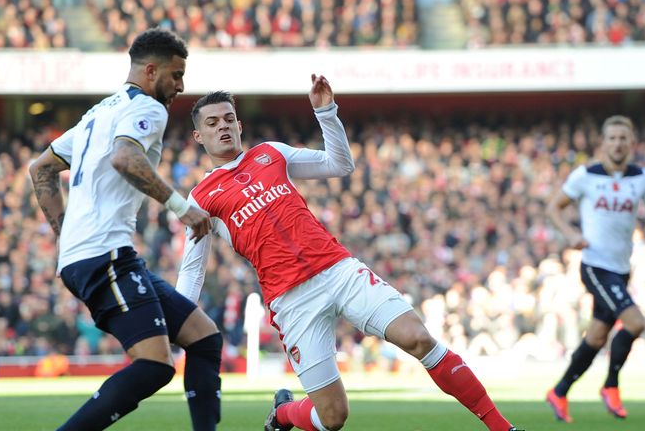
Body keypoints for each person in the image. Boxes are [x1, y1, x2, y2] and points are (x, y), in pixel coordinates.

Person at [175, 75, 521, 431]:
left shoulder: (271, 154)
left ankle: (502, 428)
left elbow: (339, 165)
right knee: (333, 417)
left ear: (239, 123)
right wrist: (180, 318)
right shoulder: (201, 197)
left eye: (229, 119)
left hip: (338, 269)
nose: (224, 127)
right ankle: (283, 414)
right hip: (291, 301)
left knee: (419, 338)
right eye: (213, 123)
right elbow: (192, 270)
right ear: (199, 136)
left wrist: (326, 112)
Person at [29, 28, 222, 431]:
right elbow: (124, 157)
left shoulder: (96, 114)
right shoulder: (149, 109)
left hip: (97, 253)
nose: (181, 86)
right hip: (106, 255)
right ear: (151, 71)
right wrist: (181, 207)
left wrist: (68, 238)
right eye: (176, 75)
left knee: (204, 338)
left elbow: (41, 168)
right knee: (154, 366)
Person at [545, 115, 645, 422]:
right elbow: (553, 207)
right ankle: (611, 386)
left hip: (620, 268)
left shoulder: (641, 177)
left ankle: (559, 392)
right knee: (635, 323)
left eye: (623, 138)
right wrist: (572, 234)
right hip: (595, 265)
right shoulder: (586, 175)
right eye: (612, 138)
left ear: (631, 143)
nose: (617, 143)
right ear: (603, 143)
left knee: (597, 337)